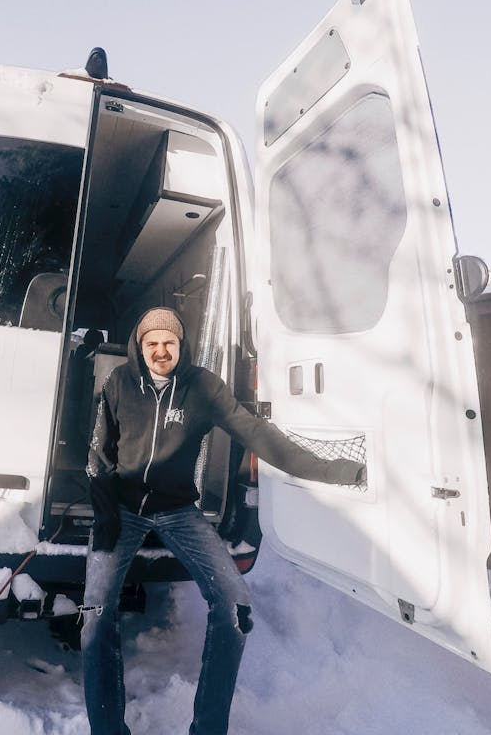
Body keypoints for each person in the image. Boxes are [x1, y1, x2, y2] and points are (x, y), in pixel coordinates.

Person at [81, 306, 364, 735]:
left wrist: (332, 469)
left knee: (235, 604)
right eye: (151, 343)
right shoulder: (119, 383)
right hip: (122, 509)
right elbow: (99, 456)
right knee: (96, 613)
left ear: (182, 346)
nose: (160, 351)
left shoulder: (203, 388)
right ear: (140, 347)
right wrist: (105, 518)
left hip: (177, 511)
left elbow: (258, 434)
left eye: (169, 343)